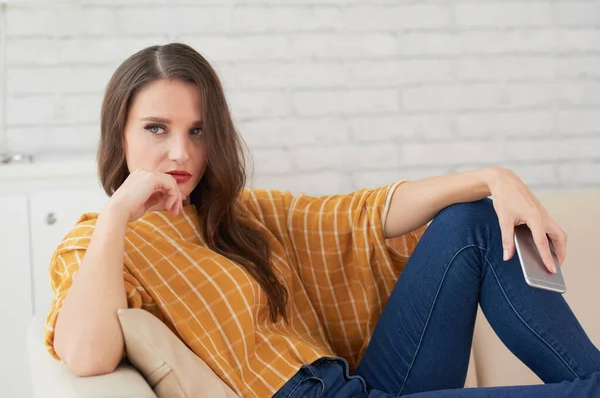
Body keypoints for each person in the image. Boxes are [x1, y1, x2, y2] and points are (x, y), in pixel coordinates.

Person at [45, 43, 600, 398]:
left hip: (361, 386)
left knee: (471, 221)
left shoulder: (239, 215)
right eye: (155, 128)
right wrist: (118, 211)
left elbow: (360, 214)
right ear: (118, 132)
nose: (181, 154)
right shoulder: (97, 243)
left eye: (197, 130)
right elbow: (87, 355)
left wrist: (493, 177)